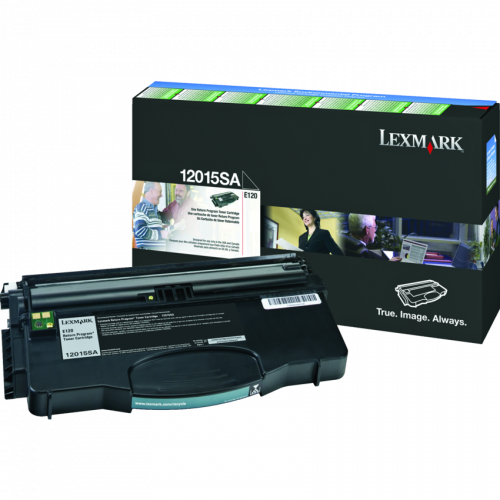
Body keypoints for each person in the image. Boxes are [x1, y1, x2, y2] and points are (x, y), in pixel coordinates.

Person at [133, 182, 171, 250]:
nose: (161, 195)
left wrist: (175, 226)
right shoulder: (141, 207)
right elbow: (140, 230)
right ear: (151, 191)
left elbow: (158, 231)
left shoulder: (155, 211)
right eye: (160, 192)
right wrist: (160, 234)